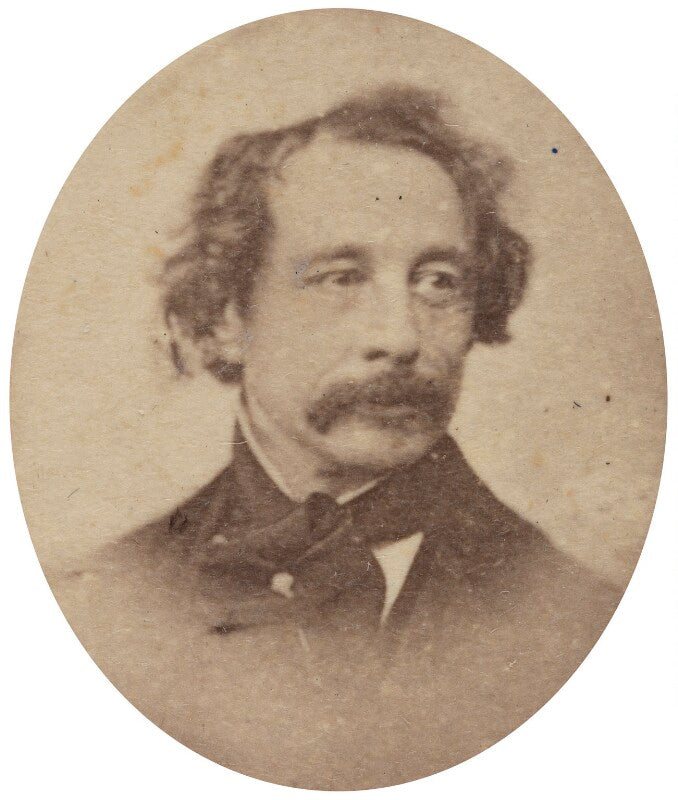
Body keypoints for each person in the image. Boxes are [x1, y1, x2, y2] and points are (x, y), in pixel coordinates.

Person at [55, 85, 621, 789]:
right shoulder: (99, 604)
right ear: (226, 317)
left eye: (439, 282)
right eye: (340, 278)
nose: (400, 337)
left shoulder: (580, 615)